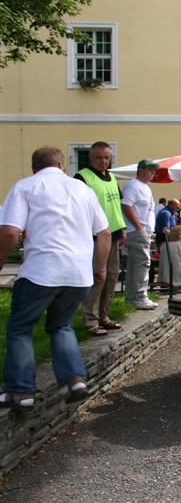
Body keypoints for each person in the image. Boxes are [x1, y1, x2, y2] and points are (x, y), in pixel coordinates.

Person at [0, 147, 110, 412]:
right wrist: (101, 268)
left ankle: (20, 392)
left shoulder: (26, 186)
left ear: (34, 167)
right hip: (78, 274)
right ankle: (74, 380)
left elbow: (11, 231)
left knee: (20, 327)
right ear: (62, 164)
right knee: (61, 325)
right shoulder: (83, 189)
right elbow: (104, 233)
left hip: (41, 271)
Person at [74, 141, 126, 336]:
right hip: (95, 236)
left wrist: (122, 229)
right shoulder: (82, 178)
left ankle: (104, 316)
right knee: (98, 278)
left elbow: (116, 206)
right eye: (99, 158)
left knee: (111, 277)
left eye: (107, 157)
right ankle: (90, 320)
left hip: (113, 233)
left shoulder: (111, 177)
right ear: (90, 158)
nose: (103, 161)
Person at [121, 159, 158, 310]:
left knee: (135, 264)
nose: (153, 174)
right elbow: (126, 205)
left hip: (143, 231)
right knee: (143, 263)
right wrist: (139, 227)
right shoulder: (132, 185)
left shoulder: (145, 187)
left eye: (154, 171)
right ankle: (140, 296)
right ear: (141, 170)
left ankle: (131, 297)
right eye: (150, 170)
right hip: (137, 231)